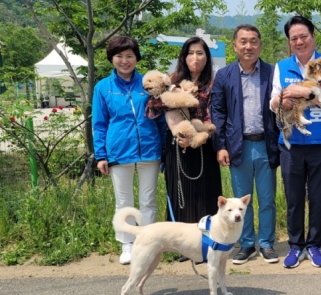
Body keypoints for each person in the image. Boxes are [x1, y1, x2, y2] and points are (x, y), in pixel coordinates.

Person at [270, 15, 321, 268]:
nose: (299, 42)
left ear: (313, 36)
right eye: (294, 38)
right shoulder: (281, 66)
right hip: (290, 143)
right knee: (294, 197)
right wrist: (282, 101)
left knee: (319, 198)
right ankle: (295, 246)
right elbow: (273, 101)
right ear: (289, 42)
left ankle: (314, 245)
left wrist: (306, 93)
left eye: (304, 36)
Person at [92, 36, 166, 265]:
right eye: (119, 56)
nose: (124, 61)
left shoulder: (149, 82)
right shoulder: (103, 87)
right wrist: (101, 155)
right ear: (111, 58)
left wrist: (164, 149)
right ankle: (127, 244)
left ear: (136, 58)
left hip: (150, 150)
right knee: (123, 201)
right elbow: (99, 123)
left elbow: (162, 118)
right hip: (119, 151)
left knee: (148, 200)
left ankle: (149, 243)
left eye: (129, 56)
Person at [211, 24, 281, 265]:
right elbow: (218, 112)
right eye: (243, 41)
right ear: (235, 46)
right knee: (240, 202)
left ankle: (267, 243)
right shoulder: (224, 75)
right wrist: (220, 145)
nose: (248, 46)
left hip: (266, 144)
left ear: (260, 44)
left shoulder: (273, 73)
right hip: (237, 146)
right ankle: (247, 243)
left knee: (267, 198)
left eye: (253, 41)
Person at [161, 37, 223, 261]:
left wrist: (198, 136)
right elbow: (152, 106)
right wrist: (177, 98)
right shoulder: (171, 80)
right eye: (190, 53)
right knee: (181, 195)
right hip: (178, 146)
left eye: (200, 53)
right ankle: (180, 247)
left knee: (204, 196)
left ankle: (206, 244)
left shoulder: (215, 83)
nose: (195, 58)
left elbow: (216, 115)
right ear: (183, 57)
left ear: (207, 57)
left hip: (204, 144)